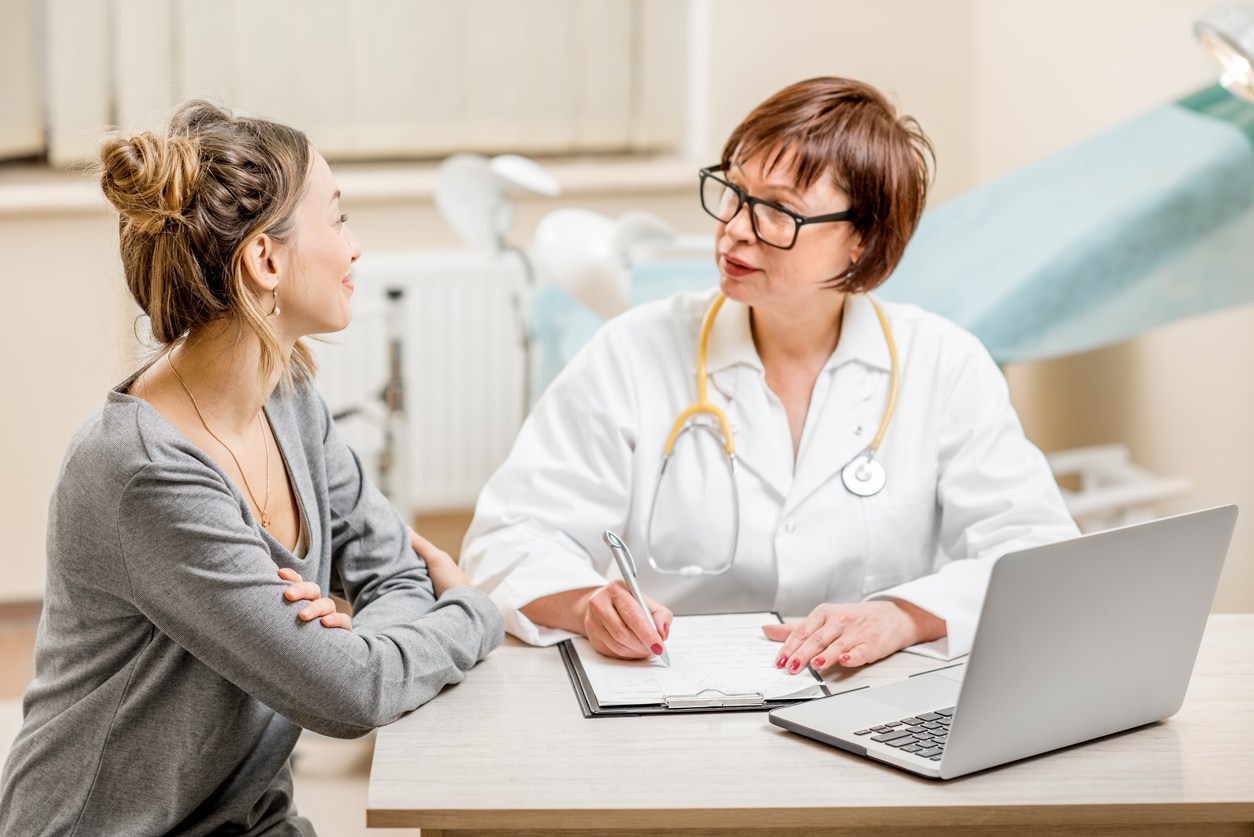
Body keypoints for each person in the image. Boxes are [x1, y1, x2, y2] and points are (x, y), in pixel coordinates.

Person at [0, 101, 503, 837]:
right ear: (265, 259)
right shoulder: (146, 472)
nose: (355, 247)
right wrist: (471, 612)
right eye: (337, 219)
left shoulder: (289, 395)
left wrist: (355, 647)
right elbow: (350, 695)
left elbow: (393, 573)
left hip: (249, 817)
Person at [460, 77, 1078, 672]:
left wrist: (903, 616)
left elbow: (1038, 552)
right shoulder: (633, 350)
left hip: (862, 693)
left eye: (778, 212)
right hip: (671, 695)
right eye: (734, 192)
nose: (733, 228)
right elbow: (506, 540)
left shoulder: (944, 363)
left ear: (861, 241)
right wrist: (588, 603)